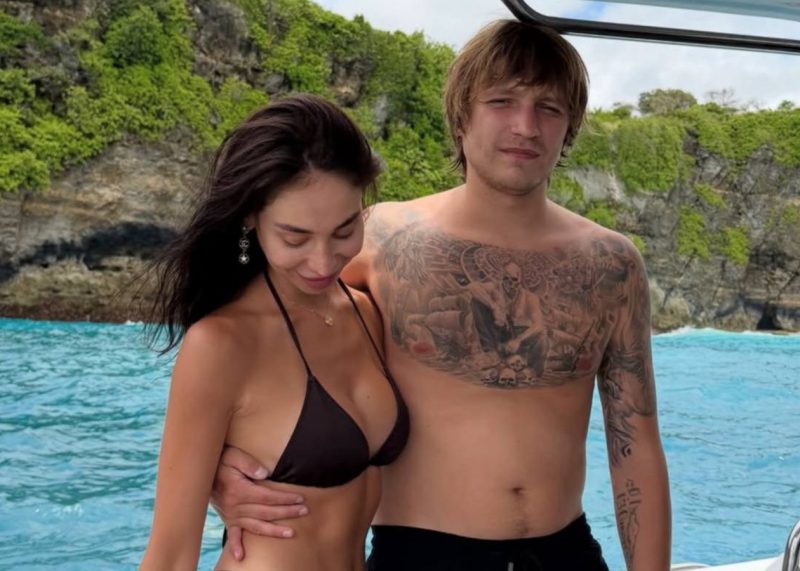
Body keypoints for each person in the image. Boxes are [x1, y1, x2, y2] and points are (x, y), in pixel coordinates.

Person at [211, 20, 672, 571]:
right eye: (502, 101)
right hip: (420, 554)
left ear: (568, 128)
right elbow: (246, 347)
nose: (526, 126)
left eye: (548, 108)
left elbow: (635, 445)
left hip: (565, 553)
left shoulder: (612, 265)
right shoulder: (377, 241)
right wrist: (216, 471)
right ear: (460, 116)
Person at [139, 94, 409, 571]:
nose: (323, 262)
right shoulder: (221, 344)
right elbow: (170, 555)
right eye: (294, 237)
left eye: (345, 230)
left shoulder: (365, 312)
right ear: (251, 218)